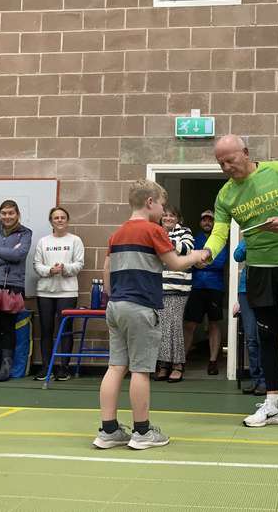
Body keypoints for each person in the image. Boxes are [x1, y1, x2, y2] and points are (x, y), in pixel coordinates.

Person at [201, 134, 278, 437]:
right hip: (259, 271)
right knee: (263, 336)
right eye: (220, 163)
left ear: (246, 153)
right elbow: (218, 233)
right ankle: (273, 404)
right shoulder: (226, 196)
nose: (226, 167)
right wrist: (207, 253)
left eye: (230, 160)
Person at [92, 180, 202, 450]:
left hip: (115, 306)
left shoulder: (116, 234)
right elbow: (175, 262)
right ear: (150, 202)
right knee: (141, 370)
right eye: (162, 205)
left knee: (116, 366)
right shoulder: (153, 230)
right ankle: (142, 432)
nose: (163, 211)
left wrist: (114, 294)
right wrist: (198, 254)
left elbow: (106, 272)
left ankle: (108, 431)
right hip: (140, 307)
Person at [0, 200, 32, 382]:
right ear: (0, 215)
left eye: (11, 213)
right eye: (4, 213)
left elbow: (19, 255)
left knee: (8, 327)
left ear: (17, 214)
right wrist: (6, 256)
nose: (7, 217)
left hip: (12, 284)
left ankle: (6, 368)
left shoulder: (25, 233)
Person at [33, 206, 85, 381]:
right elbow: (37, 265)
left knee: (65, 330)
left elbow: (79, 264)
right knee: (46, 330)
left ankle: (64, 368)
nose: (60, 220)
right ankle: (46, 367)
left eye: (63, 217)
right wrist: (50, 270)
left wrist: (64, 268)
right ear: (51, 221)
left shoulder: (75, 240)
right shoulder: (43, 241)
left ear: (67, 221)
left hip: (67, 291)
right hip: (45, 292)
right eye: (56, 218)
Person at [182, 210, 228, 375]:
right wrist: (197, 260)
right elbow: (188, 259)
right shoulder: (194, 239)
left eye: (210, 220)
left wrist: (198, 261)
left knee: (214, 324)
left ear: (214, 222)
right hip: (196, 287)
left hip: (215, 287)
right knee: (189, 324)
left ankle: (213, 361)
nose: (207, 222)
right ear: (200, 222)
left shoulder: (220, 240)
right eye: (204, 220)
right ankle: (182, 360)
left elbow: (220, 262)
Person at [155, 205, 194, 383]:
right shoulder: (155, 231)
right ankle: (164, 364)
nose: (168, 218)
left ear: (178, 218)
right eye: (165, 216)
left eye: (171, 216)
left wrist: (166, 243)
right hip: (158, 286)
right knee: (162, 326)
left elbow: (187, 249)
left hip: (178, 287)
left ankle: (178, 364)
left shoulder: (185, 231)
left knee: (175, 325)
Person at [234, 239, 266, 396]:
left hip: (265, 290)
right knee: (251, 338)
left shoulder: (272, 237)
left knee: (263, 338)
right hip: (245, 291)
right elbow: (237, 256)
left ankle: (266, 381)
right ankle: (256, 379)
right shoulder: (249, 236)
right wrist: (250, 240)